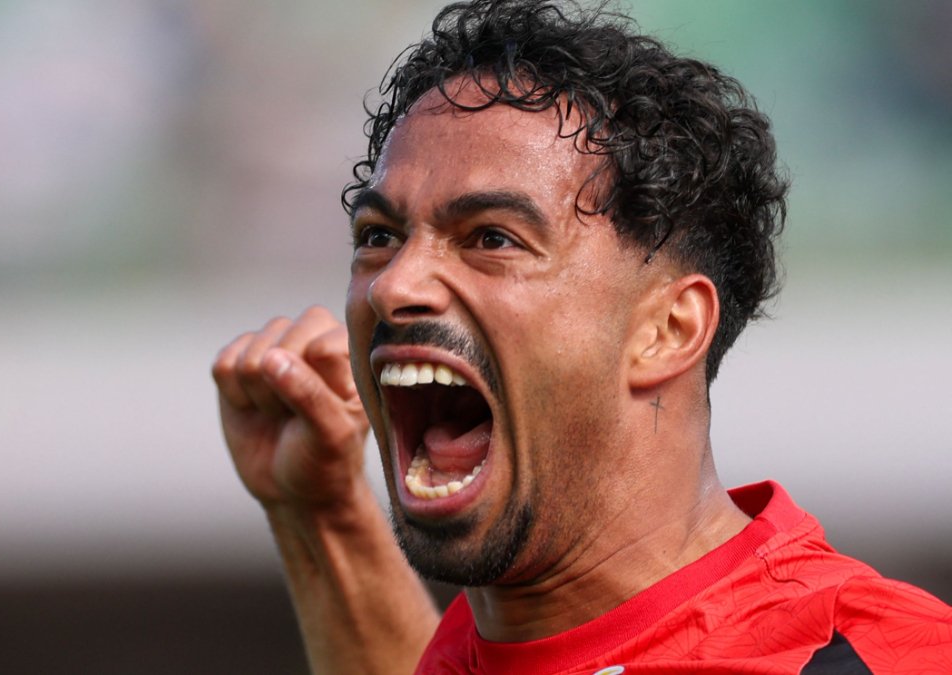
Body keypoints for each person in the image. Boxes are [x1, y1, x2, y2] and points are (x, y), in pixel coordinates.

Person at [211, 1, 952, 672]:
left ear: (667, 328)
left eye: (492, 237)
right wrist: (322, 512)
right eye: (378, 235)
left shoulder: (876, 656)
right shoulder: (476, 654)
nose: (394, 285)